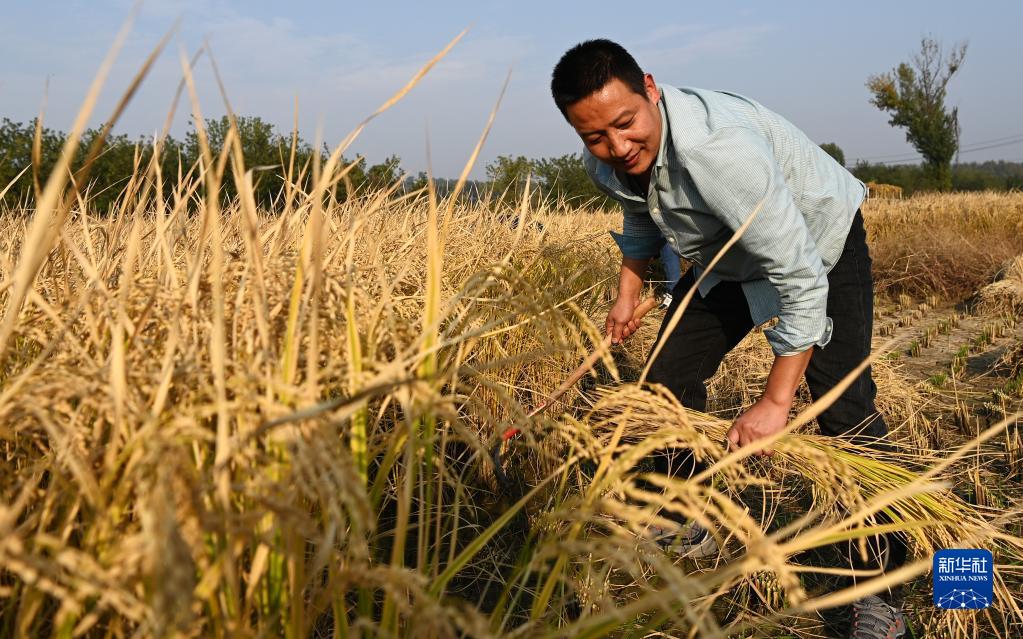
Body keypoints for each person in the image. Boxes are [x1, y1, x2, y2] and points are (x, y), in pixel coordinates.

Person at [550, 39, 909, 639]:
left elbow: (797, 273)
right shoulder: (606, 158)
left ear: (651, 87)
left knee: (842, 408)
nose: (618, 147)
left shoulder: (720, 153)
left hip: (819, 242)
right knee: (662, 381)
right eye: (595, 137)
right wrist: (627, 291)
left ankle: (879, 593)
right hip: (730, 257)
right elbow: (641, 212)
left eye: (625, 123)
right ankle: (685, 517)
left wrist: (774, 403)